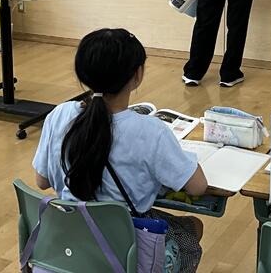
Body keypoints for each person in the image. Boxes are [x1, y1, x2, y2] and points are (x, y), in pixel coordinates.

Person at [33, 29, 208, 272]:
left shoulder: (60, 114)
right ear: (137, 75)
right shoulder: (151, 131)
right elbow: (198, 187)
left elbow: (41, 181)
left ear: (82, 72)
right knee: (193, 228)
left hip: (66, 245)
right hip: (122, 252)